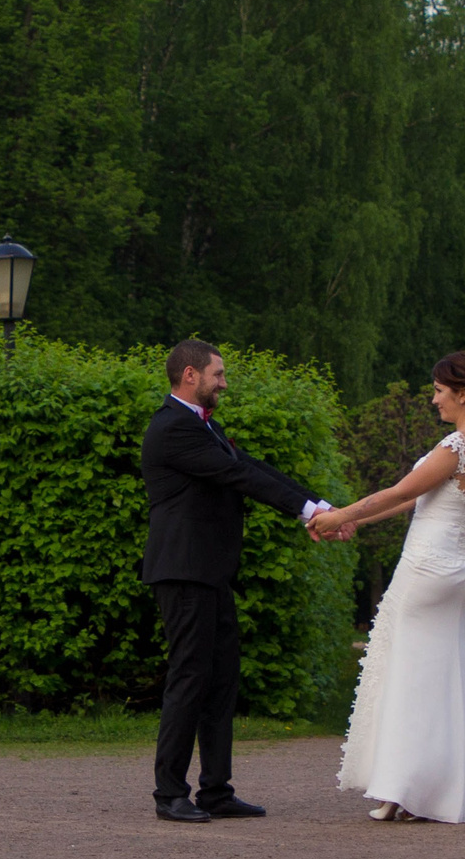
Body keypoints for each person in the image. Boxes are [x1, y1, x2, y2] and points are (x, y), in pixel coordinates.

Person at [308, 351, 465, 824]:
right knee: (443, 678)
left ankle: (405, 788)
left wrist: (340, 515)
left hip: (426, 568)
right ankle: (438, 787)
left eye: (440, 390)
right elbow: (415, 501)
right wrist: (357, 523)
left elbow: (401, 492)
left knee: (410, 678)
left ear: (462, 393)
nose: (434, 398)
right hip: (456, 569)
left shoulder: (458, 444)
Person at [140, 339, 342, 824]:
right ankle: (170, 793)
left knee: (221, 681)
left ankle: (215, 791)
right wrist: (308, 512)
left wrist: (323, 509)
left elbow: (253, 467)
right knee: (189, 678)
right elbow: (237, 477)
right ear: (190, 375)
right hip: (184, 571)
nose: (224, 382)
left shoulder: (204, 427)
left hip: (210, 572)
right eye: (218, 374)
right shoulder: (172, 429)